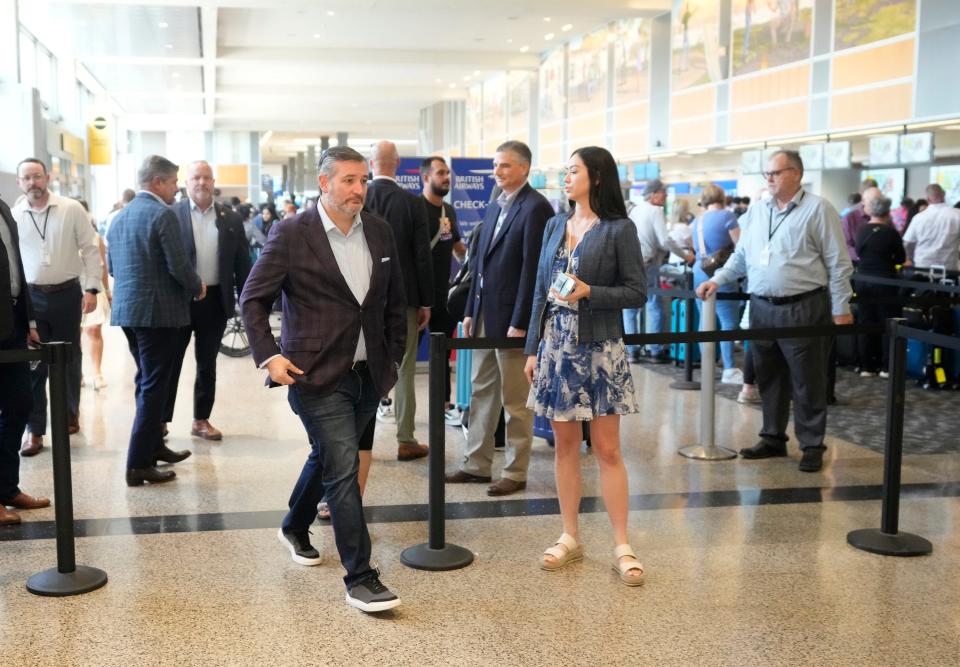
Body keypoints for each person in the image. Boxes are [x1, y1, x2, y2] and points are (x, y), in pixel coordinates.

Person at [239, 146, 406, 613]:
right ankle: (361, 577)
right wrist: (267, 355)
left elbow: (393, 301)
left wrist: (392, 356)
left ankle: (294, 525)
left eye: (363, 180)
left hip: (369, 373)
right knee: (344, 469)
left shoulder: (379, 230)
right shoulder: (292, 233)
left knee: (329, 456)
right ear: (324, 182)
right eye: (349, 180)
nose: (359, 189)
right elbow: (252, 299)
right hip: (313, 375)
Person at [524, 146, 646, 586]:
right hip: (556, 346)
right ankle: (570, 534)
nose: (565, 177)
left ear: (595, 176)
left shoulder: (619, 229)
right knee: (564, 446)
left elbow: (636, 292)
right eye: (564, 171)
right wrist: (533, 350)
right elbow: (540, 289)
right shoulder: (555, 224)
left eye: (572, 170)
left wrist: (589, 290)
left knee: (609, 449)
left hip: (600, 348)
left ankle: (621, 542)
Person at [697, 150, 853, 473]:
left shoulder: (818, 209)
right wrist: (717, 279)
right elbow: (740, 257)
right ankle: (772, 437)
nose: (769, 179)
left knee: (808, 380)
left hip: (804, 306)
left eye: (776, 173)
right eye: (766, 174)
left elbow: (839, 263)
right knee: (769, 375)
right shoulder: (756, 211)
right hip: (762, 306)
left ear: (796, 174)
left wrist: (841, 307)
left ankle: (811, 444)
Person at [446, 140, 553, 496]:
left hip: (511, 320)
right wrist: (469, 313)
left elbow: (532, 271)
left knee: (515, 399)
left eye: (505, 165)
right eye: (496, 165)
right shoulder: (495, 207)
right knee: (481, 391)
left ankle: (515, 470)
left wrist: (522, 320)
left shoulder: (536, 208)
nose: (498, 171)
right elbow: (477, 267)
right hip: (484, 318)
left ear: (524, 168)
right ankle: (476, 464)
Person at [107, 155, 206, 487]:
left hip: (128, 312)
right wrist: (197, 286)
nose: (176, 189)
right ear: (158, 182)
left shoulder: (119, 217)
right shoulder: (162, 215)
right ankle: (137, 464)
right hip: (158, 314)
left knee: (146, 380)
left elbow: (112, 268)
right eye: (174, 182)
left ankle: (153, 446)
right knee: (154, 387)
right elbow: (177, 265)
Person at [12, 158, 100, 455]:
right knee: (34, 364)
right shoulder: (15, 214)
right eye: (27, 178)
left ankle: (68, 413)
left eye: (37, 176)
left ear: (47, 177)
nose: (32, 183)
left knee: (69, 358)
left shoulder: (71, 209)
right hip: (31, 299)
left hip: (67, 295)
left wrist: (91, 288)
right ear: (19, 183)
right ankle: (34, 430)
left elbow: (89, 249)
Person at [163, 161, 252, 441]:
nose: (201, 182)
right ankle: (160, 421)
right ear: (186, 183)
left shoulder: (230, 218)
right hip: (179, 300)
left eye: (206, 178)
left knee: (207, 364)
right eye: (195, 178)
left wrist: (247, 301)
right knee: (170, 363)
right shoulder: (170, 215)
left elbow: (242, 263)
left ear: (213, 182)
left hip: (214, 301)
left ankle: (201, 419)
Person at [364, 140, 433, 461]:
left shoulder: (358, 198)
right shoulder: (411, 203)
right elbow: (422, 258)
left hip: (363, 299)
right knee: (405, 368)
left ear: (371, 163)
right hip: (403, 299)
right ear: (398, 163)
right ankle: (406, 440)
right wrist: (425, 302)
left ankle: (359, 439)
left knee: (362, 365)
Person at [0, 195, 49, 525]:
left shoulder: (4, 208)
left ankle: (7, 488)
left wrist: (29, 322)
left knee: (20, 403)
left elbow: (17, 267)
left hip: (13, 323)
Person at [420, 156, 467, 424]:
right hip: (416, 295)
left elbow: (457, 247)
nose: (446, 177)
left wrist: (471, 267)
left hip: (442, 294)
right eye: (440, 173)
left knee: (441, 352)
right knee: (404, 356)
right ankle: (386, 402)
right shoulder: (415, 208)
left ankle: (443, 404)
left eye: (447, 172)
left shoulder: (448, 211)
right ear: (426, 177)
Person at [625, 179, 693, 363]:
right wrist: (685, 256)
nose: (666, 196)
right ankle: (655, 351)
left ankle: (632, 351)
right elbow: (664, 241)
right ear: (654, 194)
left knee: (630, 309)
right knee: (654, 306)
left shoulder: (635, 209)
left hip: (629, 263)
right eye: (664, 193)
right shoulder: (655, 210)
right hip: (647, 265)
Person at [690, 183, 742, 383]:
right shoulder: (728, 217)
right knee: (728, 321)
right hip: (721, 273)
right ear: (722, 197)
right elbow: (741, 246)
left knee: (706, 320)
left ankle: (708, 365)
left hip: (699, 271)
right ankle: (729, 368)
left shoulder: (697, 220)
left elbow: (691, 245)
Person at [854, 193, 905, 377]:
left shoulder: (861, 230)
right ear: (887, 211)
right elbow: (901, 258)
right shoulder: (891, 233)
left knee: (866, 321)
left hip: (863, 280)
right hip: (886, 282)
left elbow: (858, 252)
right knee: (888, 323)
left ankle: (867, 366)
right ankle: (886, 367)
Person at [78, 205, 111, 391]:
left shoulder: (95, 236)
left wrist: (106, 289)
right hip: (73, 289)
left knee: (94, 330)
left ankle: (97, 372)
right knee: (75, 334)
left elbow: (102, 266)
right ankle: (78, 373)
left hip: (93, 287)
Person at [902, 184, 960, 271]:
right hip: (949, 268)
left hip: (922, 267)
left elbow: (908, 243)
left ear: (928, 199)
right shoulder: (957, 214)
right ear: (944, 194)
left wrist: (909, 259)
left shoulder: (918, 218)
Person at [841, 179, 878, 261]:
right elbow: (845, 245)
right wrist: (861, 257)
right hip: (858, 265)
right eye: (871, 199)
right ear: (863, 198)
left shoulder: (884, 217)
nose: (874, 202)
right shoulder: (850, 217)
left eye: (876, 199)